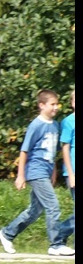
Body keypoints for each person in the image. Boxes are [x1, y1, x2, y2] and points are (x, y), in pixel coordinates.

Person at [0, 89, 74, 256]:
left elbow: (52, 152)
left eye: (57, 104)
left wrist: (53, 172)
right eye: (52, 104)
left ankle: (7, 233)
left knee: (35, 211)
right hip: (35, 171)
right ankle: (56, 244)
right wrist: (20, 175)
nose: (56, 108)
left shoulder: (54, 125)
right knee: (53, 206)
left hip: (45, 172)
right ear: (41, 105)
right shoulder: (36, 125)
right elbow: (24, 151)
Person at [58, 88, 75, 247]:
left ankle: (60, 232)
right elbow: (65, 148)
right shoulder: (69, 122)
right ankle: (60, 232)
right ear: (72, 103)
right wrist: (71, 174)